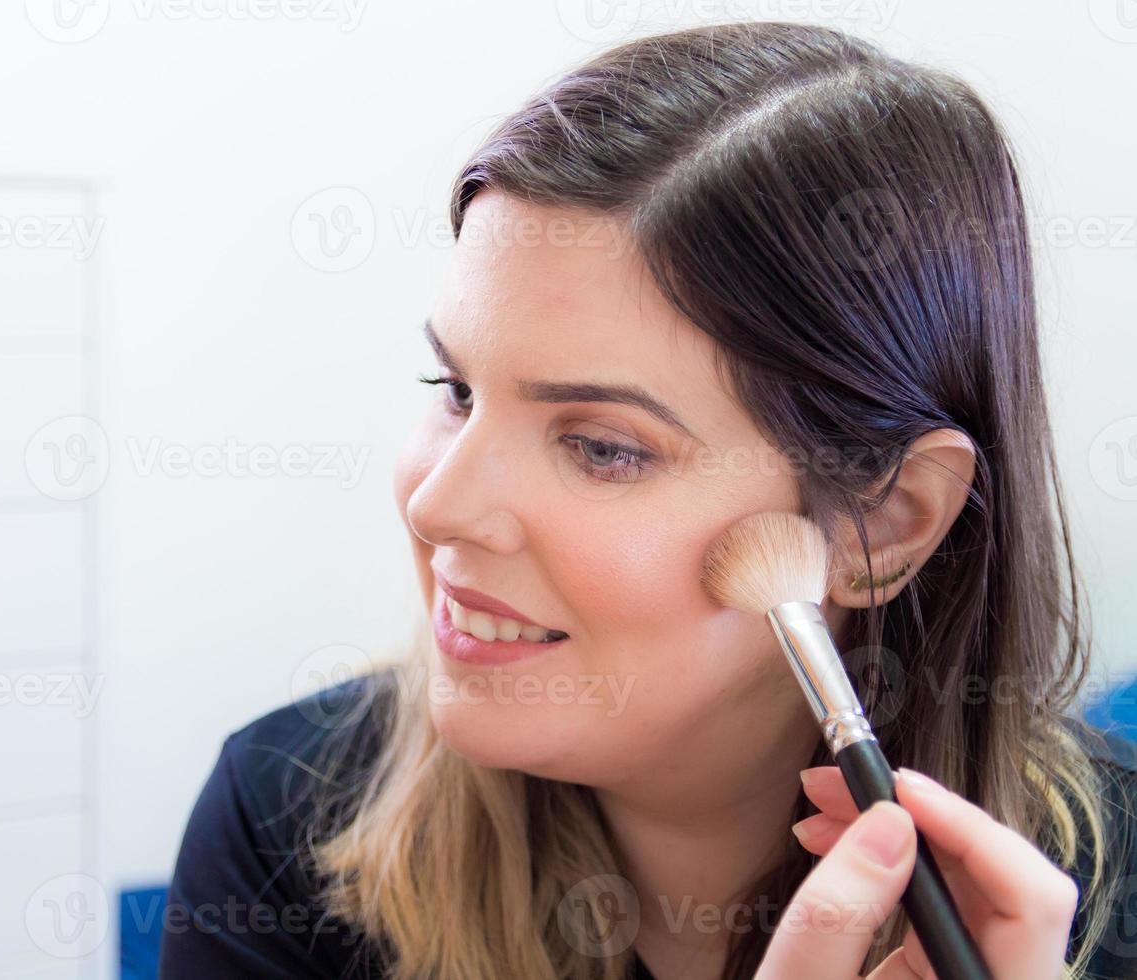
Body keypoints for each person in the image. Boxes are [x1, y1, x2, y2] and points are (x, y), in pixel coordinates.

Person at [159, 21, 1137, 980]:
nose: (439, 507)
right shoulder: (284, 817)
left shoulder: (1111, 893)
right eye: (456, 392)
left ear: (889, 521)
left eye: (601, 447)